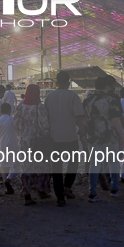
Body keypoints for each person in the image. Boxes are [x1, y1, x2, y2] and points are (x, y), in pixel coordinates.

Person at [44, 72, 87, 206]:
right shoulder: (73, 96)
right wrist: (83, 134)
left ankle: (60, 198)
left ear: (56, 82)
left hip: (54, 138)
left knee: (56, 168)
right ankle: (67, 186)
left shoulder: (49, 97)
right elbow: (79, 118)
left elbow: (46, 118)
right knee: (73, 163)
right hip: (70, 137)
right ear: (68, 82)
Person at [84, 76, 124, 202]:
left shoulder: (87, 100)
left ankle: (92, 192)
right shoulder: (111, 99)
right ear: (107, 86)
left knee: (94, 164)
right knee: (113, 163)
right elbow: (115, 119)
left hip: (93, 137)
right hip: (109, 137)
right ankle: (114, 188)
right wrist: (122, 136)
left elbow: (83, 119)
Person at [14, 84, 52, 206]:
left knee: (26, 167)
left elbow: (16, 124)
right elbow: (44, 126)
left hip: (25, 141)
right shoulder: (39, 107)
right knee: (42, 166)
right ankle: (41, 190)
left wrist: (23, 132)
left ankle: (27, 194)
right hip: (38, 141)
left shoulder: (20, 106)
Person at [0, 103, 18, 194]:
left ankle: (6, 187)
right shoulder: (12, 120)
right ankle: (10, 178)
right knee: (15, 164)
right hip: (12, 144)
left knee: (3, 166)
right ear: (9, 111)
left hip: (1, 144)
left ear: (0, 111)